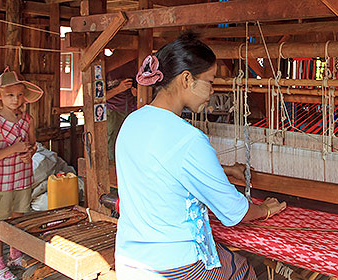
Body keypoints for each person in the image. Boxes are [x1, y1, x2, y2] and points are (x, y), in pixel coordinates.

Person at [114, 32, 286, 280]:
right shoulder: (189, 138)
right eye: (210, 81)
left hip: (130, 263)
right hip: (175, 268)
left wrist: (225, 170)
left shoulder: (133, 122)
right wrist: (266, 210)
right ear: (187, 79)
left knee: (229, 259)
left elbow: (164, 168)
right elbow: (234, 212)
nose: (212, 90)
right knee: (244, 270)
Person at [0, 68, 42, 280]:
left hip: (22, 178)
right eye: (9, 95)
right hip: (0, 182)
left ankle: (15, 256)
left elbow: (32, 144)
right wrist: (12, 150)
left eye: (18, 95)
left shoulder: (27, 119)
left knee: (18, 219)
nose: (15, 100)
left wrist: (29, 153)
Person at [106, 60, 138, 162]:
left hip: (131, 112)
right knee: (112, 143)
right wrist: (119, 89)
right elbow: (98, 97)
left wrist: (137, 93)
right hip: (112, 111)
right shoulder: (105, 66)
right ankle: (113, 168)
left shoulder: (136, 63)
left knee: (129, 143)